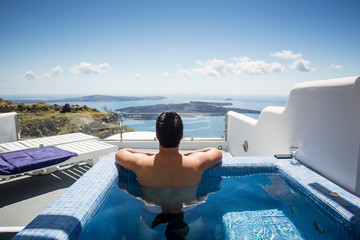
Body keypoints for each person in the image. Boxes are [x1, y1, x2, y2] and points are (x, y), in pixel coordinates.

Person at [115, 111, 223, 188]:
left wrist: (150, 154)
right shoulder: (197, 163)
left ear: (157, 135)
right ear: (181, 136)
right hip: (189, 215)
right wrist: (187, 154)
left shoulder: (140, 163)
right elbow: (216, 152)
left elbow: (121, 153)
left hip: (152, 215)